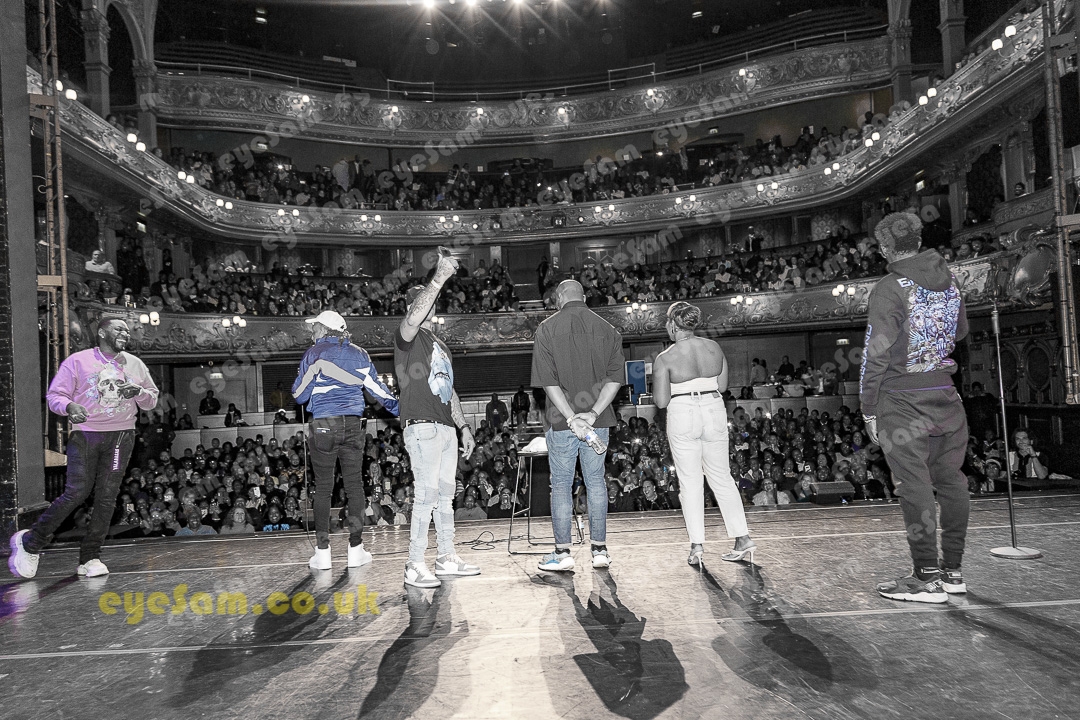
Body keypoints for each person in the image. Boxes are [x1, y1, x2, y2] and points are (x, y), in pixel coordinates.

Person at [860, 212, 970, 604]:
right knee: (952, 480)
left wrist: (868, 407)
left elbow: (876, 353)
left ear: (885, 247)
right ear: (918, 240)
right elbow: (960, 332)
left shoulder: (889, 288)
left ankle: (927, 577)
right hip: (945, 394)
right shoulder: (950, 279)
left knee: (914, 485)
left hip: (902, 399)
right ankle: (952, 571)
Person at [9, 319, 159, 579]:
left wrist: (138, 392)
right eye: (119, 329)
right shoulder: (78, 361)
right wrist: (70, 407)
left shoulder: (135, 364)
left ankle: (90, 557)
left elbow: (151, 400)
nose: (125, 333)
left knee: (107, 497)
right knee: (76, 493)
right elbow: (55, 396)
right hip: (86, 435)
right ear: (102, 332)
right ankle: (31, 542)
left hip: (121, 436)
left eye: (127, 330)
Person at [394, 253, 482, 588]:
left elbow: (449, 389)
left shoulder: (440, 344)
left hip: (445, 428)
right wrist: (439, 277)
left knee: (445, 496)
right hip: (422, 426)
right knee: (426, 495)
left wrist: (464, 427)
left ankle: (446, 556)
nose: (431, 304)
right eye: (424, 301)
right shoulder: (407, 336)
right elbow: (415, 315)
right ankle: (414, 563)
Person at [293, 309, 400, 570]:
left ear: (325, 329)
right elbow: (378, 391)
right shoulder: (360, 354)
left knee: (324, 489)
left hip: (324, 425)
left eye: (315, 327)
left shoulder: (314, 354)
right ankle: (355, 550)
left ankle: (323, 554)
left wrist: (313, 376)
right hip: (353, 424)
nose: (312, 332)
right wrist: (402, 410)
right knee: (354, 487)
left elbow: (299, 395)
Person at [531, 279, 625, 572]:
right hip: (599, 420)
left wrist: (572, 418)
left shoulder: (547, 328)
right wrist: (592, 415)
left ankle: (563, 553)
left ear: (559, 298)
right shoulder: (608, 329)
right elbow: (615, 380)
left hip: (562, 422)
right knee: (596, 482)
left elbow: (548, 382)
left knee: (561, 484)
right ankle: (599, 550)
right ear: (584, 297)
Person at [652, 302, 756, 567]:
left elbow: (661, 402)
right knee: (722, 477)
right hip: (713, 409)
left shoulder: (665, 357)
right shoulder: (714, 347)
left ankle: (697, 545)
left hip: (683, 412)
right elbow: (722, 386)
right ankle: (742, 538)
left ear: (673, 325)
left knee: (690, 482)